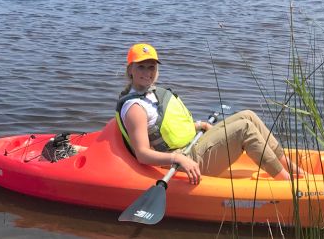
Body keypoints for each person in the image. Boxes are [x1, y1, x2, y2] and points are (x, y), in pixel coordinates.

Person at [115, 43, 300, 185]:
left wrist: (198, 125)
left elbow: (161, 128)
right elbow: (142, 154)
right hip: (182, 162)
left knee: (248, 115)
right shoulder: (135, 109)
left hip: (191, 148)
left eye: (151, 67)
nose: (147, 72)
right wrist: (178, 158)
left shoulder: (150, 93)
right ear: (130, 69)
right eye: (141, 67)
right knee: (244, 129)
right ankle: (287, 184)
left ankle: (292, 169)